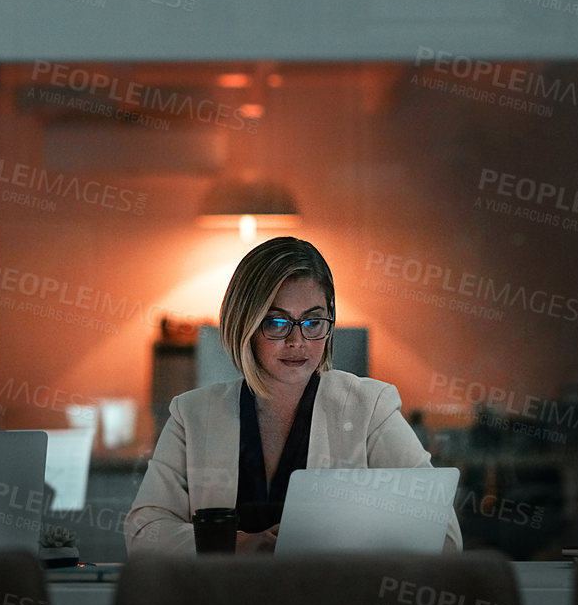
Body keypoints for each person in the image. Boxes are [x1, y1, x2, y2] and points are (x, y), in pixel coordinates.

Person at [126, 236, 462, 555]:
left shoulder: (370, 408)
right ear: (244, 324)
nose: (297, 341)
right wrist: (235, 544)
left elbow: (444, 536)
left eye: (313, 322)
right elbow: (144, 531)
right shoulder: (192, 414)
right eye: (276, 322)